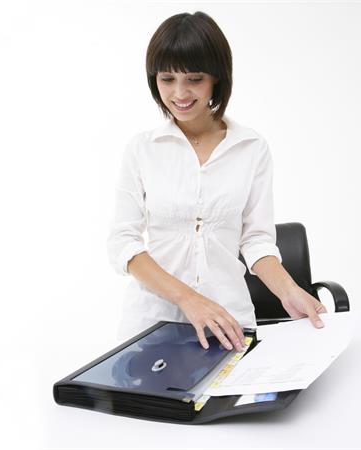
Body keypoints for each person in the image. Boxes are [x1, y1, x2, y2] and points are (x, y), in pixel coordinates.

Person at [107, 11, 327, 352]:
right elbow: (123, 244)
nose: (179, 93)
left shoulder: (251, 148)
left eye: (194, 78)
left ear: (216, 79)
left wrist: (289, 291)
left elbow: (256, 240)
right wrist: (190, 299)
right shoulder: (142, 149)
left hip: (228, 323)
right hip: (151, 324)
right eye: (167, 78)